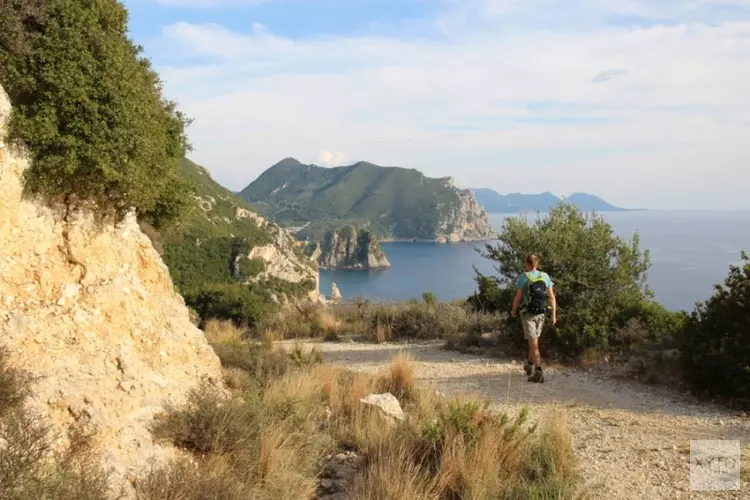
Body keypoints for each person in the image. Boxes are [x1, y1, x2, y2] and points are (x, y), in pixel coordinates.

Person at [511, 254, 557, 383]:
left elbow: (518, 296)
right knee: (534, 341)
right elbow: (552, 297)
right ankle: (529, 365)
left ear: (527, 264)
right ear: (537, 263)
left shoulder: (524, 277)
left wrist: (514, 309)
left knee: (534, 344)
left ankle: (539, 372)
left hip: (528, 314)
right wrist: (553, 315)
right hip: (541, 314)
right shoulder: (545, 276)